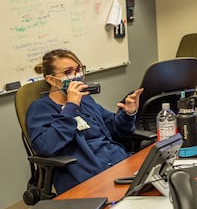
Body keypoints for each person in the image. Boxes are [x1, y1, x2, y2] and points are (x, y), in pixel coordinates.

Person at [27, 49, 144, 194]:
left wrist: (128, 113)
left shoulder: (85, 100)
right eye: (68, 72)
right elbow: (47, 146)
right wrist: (70, 107)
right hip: (86, 175)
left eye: (78, 70)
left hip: (117, 162)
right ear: (51, 79)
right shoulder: (40, 108)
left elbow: (114, 128)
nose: (76, 76)